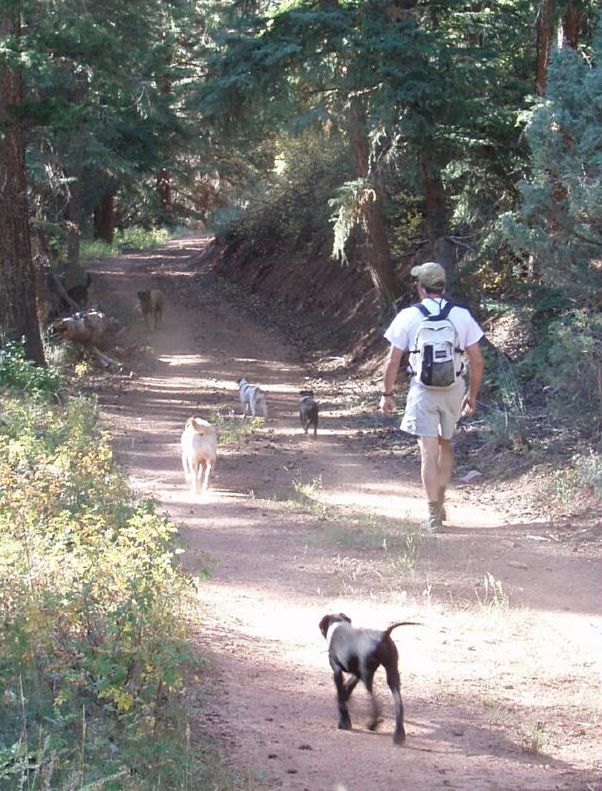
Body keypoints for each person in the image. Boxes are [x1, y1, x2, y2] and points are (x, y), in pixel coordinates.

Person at [379, 262, 485, 532]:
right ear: (443, 287)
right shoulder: (461, 315)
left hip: (423, 390)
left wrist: (387, 394)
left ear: (422, 289)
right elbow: (477, 361)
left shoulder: (408, 316)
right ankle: (440, 498)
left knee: (427, 452)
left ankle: (432, 514)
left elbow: (392, 361)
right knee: (445, 445)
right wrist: (471, 395)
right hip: (453, 388)